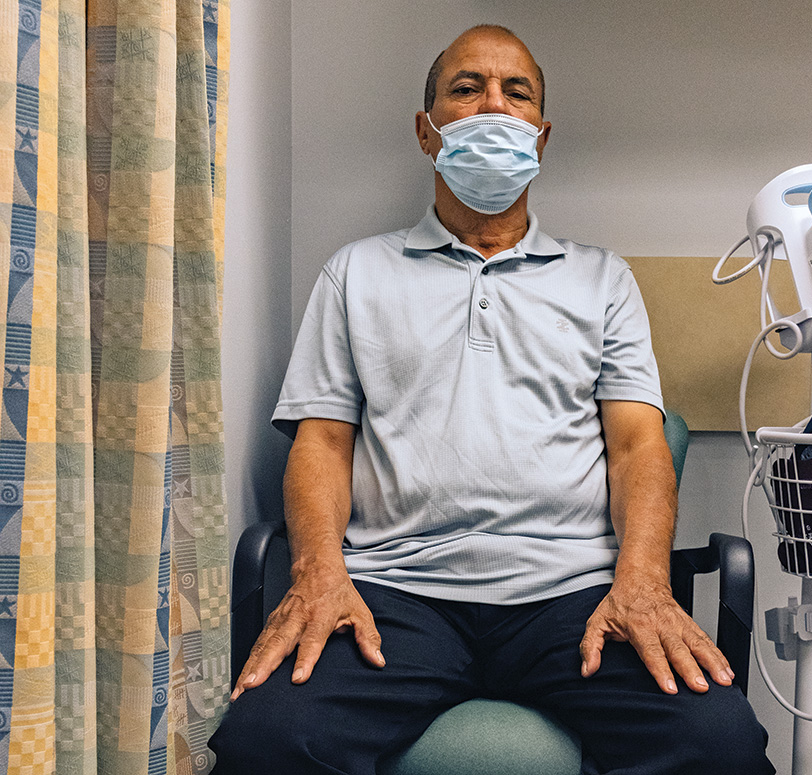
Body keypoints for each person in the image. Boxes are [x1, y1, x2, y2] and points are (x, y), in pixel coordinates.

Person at [209, 24, 774, 775]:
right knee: (266, 738)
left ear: (540, 137)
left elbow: (639, 446)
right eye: (466, 88)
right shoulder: (356, 274)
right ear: (427, 129)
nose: (492, 107)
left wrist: (643, 581)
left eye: (517, 93)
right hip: (398, 593)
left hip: (571, 597)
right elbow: (322, 442)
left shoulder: (601, 281)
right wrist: (318, 571)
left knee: (719, 743)